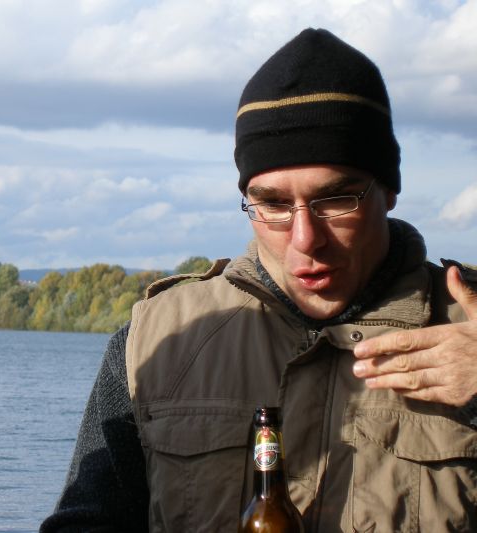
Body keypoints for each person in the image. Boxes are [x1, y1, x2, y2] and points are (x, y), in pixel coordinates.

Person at [41, 28, 477, 533]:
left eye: (336, 199)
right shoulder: (155, 340)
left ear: (390, 189)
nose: (305, 239)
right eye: (272, 204)